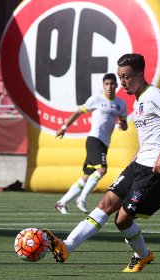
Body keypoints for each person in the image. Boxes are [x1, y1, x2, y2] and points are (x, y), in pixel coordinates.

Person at [43, 53, 160, 272]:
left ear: (140, 74)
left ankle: (143, 256)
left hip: (159, 172)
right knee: (104, 204)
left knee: (121, 221)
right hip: (139, 165)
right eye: (120, 77)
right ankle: (66, 247)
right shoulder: (137, 100)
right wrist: (139, 153)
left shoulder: (155, 95)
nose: (123, 83)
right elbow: (152, 134)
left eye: (127, 77)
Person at [54, 73, 128, 214]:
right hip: (94, 139)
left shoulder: (120, 104)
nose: (110, 87)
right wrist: (64, 128)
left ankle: (61, 203)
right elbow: (78, 113)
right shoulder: (96, 99)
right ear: (103, 85)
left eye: (112, 84)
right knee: (102, 169)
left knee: (88, 175)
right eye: (107, 84)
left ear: (116, 85)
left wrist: (122, 124)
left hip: (105, 144)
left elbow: (124, 125)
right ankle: (81, 199)